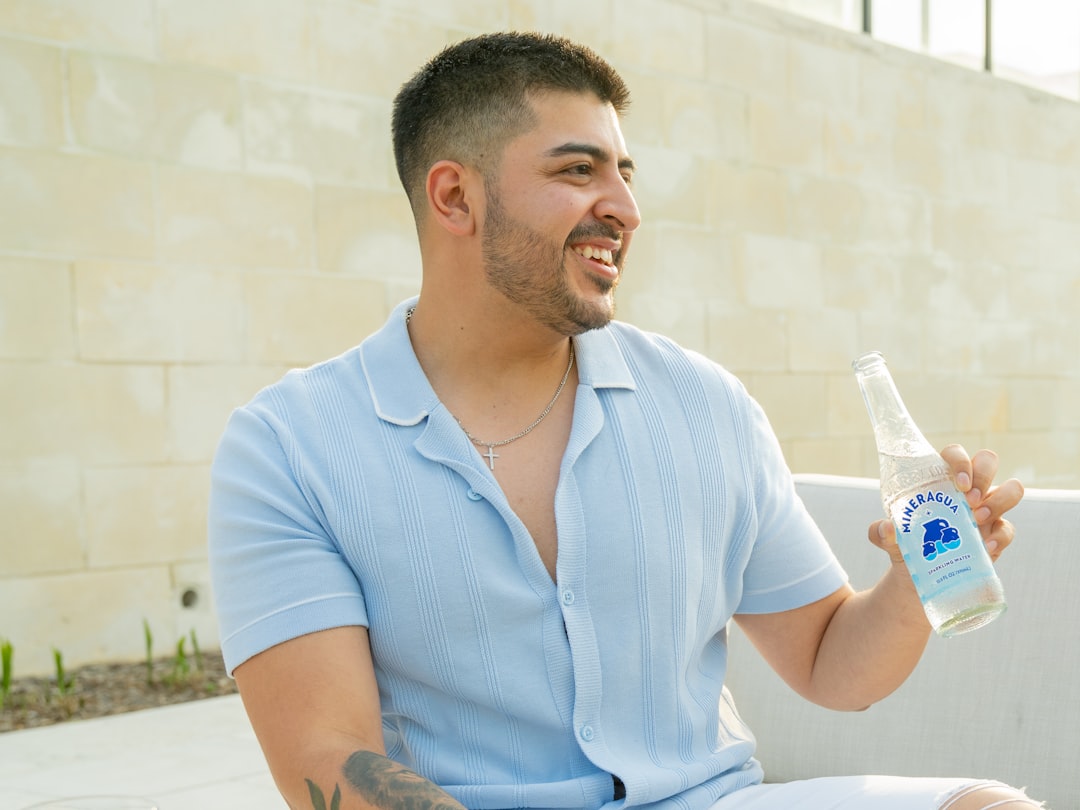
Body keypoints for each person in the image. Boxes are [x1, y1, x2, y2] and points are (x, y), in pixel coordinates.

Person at [208, 32, 1042, 810]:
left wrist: (911, 582)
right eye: (579, 170)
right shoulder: (288, 449)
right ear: (455, 196)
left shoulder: (705, 404)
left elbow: (831, 663)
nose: (626, 208)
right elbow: (325, 752)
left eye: (625, 172)